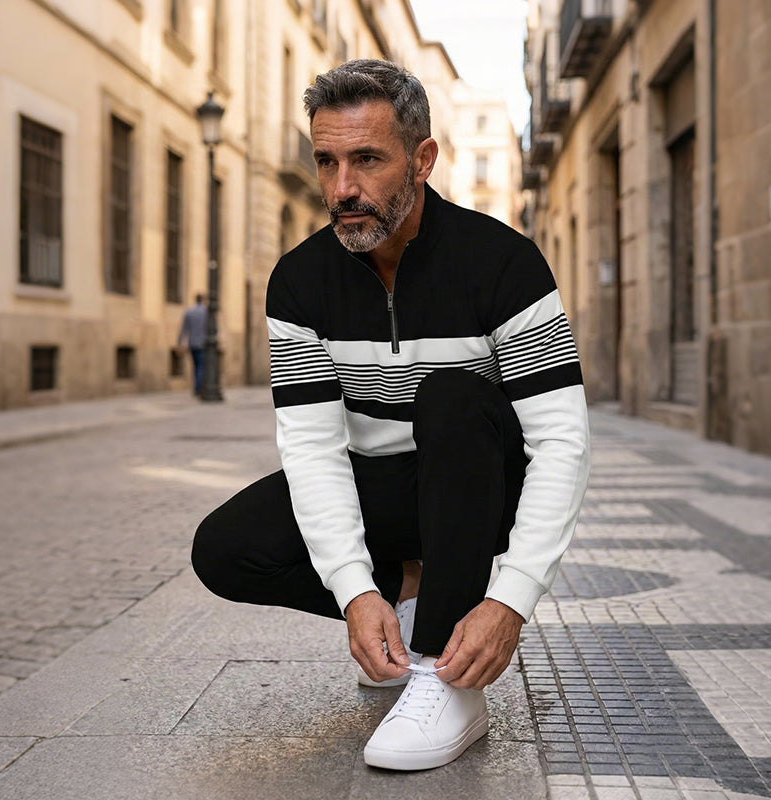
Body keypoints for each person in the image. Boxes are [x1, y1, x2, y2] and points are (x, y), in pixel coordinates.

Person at [191, 59, 590, 771]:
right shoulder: (299, 282)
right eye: (327, 161)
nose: (342, 188)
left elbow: (562, 442)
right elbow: (313, 450)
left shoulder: (504, 263)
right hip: (383, 488)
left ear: (423, 159)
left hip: (481, 488)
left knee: (452, 395)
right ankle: (412, 597)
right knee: (224, 547)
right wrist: (356, 591)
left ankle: (446, 676)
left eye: (368, 160)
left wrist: (510, 601)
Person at [177, 293, 207, 396]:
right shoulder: (206, 312)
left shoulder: (189, 312)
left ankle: (197, 386)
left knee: (196, 366)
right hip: (203, 344)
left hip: (192, 343)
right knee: (201, 366)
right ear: (203, 300)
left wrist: (179, 343)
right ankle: (198, 387)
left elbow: (183, 329)